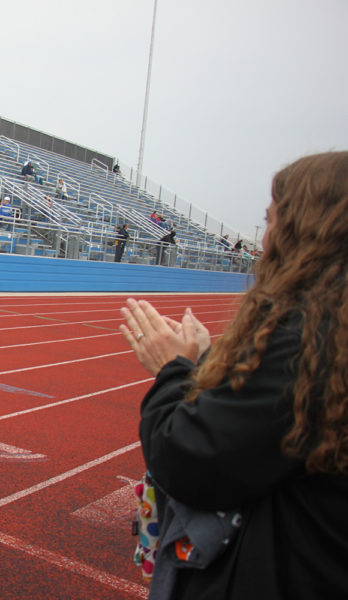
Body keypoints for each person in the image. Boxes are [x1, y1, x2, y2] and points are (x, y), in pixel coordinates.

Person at [118, 151, 348, 600]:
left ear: (305, 227)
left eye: (271, 219)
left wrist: (172, 371)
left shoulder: (308, 339)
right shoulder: (331, 330)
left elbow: (190, 460)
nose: (265, 238)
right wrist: (205, 361)